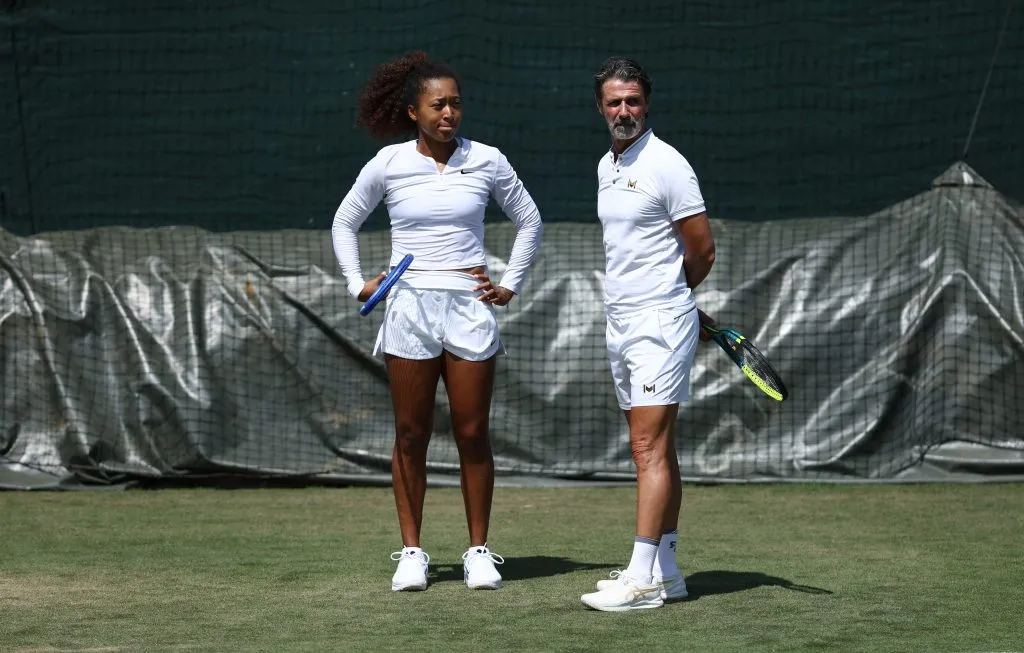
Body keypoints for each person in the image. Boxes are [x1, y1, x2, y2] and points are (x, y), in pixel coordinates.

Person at [331, 51, 544, 592]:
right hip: (409, 307)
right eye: (438, 105)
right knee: (411, 434)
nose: (449, 113)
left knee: (472, 432)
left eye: (456, 103)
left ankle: (479, 552)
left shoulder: (488, 159)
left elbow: (529, 219)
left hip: (469, 306)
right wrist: (358, 283)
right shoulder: (389, 163)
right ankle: (411, 553)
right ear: (413, 112)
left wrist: (509, 284)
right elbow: (345, 220)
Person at [579, 57, 717, 612]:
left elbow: (702, 250)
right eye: (614, 102)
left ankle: (641, 580)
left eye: (632, 101)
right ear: (600, 107)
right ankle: (668, 571)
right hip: (621, 322)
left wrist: (674, 301)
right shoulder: (605, 165)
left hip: (658, 321)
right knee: (657, 448)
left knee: (647, 447)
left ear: (647, 103)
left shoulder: (669, 164)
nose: (624, 111)